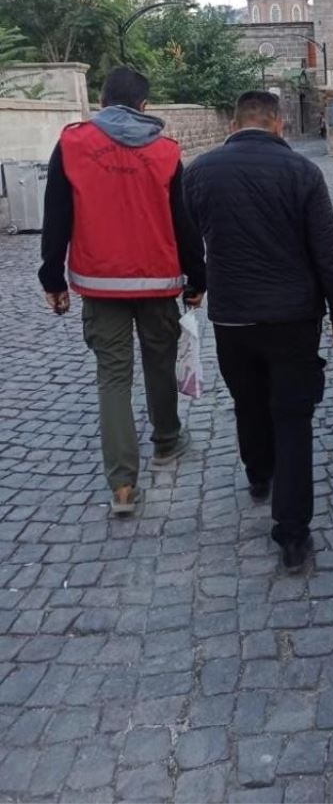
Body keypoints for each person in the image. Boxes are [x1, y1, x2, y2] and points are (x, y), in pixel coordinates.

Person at [183, 90, 333, 574]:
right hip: (293, 318)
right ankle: (293, 534)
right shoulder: (303, 172)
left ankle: (259, 473)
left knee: (248, 400)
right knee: (293, 418)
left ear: (233, 124)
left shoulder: (199, 172)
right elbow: (327, 251)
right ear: (279, 124)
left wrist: (196, 284)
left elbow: (187, 239)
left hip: (233, 316)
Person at [38, 66, 206, 516]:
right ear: (144, 106)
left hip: (100, 283)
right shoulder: (166, 152)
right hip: (157, 280)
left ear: (101, 101)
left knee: (112, 377)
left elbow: (56, 217)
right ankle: (167, 439)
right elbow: (184, 222)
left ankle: (123, 486)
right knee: (159, 361)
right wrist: (197, 278)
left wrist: (52, 278)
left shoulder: (72, 144)